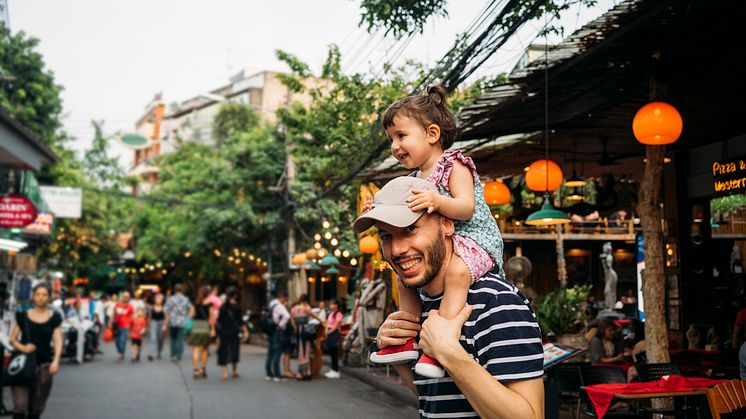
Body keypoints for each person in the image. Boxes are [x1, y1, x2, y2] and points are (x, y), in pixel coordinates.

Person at [355, 176, 544, 418]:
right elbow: (433, 395)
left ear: (446, 224)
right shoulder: (422, 303)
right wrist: (398, 351)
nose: (397, 250)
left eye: (410, 229)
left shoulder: (496, 302)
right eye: (386, 236)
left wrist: (449, 352)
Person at [364, 85, 504, 379]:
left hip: (475, 240)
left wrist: (438, 201)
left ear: (432, 134)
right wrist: (374, 207)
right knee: (403, 281)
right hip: (449, 243)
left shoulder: (455, 165)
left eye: (401, 136)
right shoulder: (413, 178)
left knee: (456, 274)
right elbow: (398, 213)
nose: (395, 146)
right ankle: (406, 336)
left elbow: (466, 208)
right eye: (392, 139)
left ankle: (441, 343)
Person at [9, 282, 62, 419]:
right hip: (23, 365)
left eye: (44, 295)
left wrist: (55, 361)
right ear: (33, 296)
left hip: (44, 366)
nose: (40, 298)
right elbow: (12, 339)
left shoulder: (54, 318)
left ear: (49, 298)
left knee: (36, 408)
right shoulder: (23, 316)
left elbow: (58, 340)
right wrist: (23, 347)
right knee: (20, 405)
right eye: (37, 294)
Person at [216, 287, 248, 380]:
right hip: (234, 331)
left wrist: (218, 333)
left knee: (224, 351)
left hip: (224, 331)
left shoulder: (223, 307)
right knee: (235, 350)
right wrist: (245, 331)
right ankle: (234, 371)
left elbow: (219, 320)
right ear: (235, 295)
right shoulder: (237, 306)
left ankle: (224, 373)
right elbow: (241, 321)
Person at [185, 286, 215, 379]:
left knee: (195, 349)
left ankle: (196, 370)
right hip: (205, 327)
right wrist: (212, 329)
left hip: (196, 327)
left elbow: (190, 315)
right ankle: (203, 369)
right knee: (205, 350)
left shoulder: (195, 303)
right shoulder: (210, 305)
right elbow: (212, 318)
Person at [290, 294, 320, 380]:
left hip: (298, 331)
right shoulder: (306, 307)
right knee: (306, 350)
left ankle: (300, 373)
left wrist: (296, 328)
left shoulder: (293, 309)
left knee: (300, 351)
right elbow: (313, 315)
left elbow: (292, 321)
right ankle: (307, 372)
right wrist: (321, 320)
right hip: (305, 330)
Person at [264, 291, 291, 381]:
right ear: (283, 297)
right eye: (286, 299)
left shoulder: (272, 304)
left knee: (270, 352)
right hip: (277, 331)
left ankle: (269, 373)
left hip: (270, 330)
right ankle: (277, 375)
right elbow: (287, 316)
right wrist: (281, 325)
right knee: (277, 353)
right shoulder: (279, 306)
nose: (286, 301)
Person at [163, 284, 192, 362]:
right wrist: (188, 317)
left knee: (173, 339)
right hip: (183, 322)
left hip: (173, 321)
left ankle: (173, 355)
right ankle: (179, 355)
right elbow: (191, 309)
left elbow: (166, 310)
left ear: (174, 290)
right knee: (181, 339)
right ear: (182, 290)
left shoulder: (170, 299)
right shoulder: (186, 299)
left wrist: (166, 322)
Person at [323, 299, 344, 379]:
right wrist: (326, 331)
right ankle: (332, 369)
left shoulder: (339, 314)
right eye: (330, 304)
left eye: (332, 304)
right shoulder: (331, 313)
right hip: (329, 332)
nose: (330, 305)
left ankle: (336, 371)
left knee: (334, 353)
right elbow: (327, 323)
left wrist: (328, 332)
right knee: (331, 352)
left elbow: (336, 325)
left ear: (336, 305)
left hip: (334, 333)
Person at [113, 291, 134, 363]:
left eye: (127, 297)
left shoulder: (130, 307)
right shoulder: (117, 304)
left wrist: (131, 327)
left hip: (125, 325)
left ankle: (120, 353)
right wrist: (110, 322)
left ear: (129, 298)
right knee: (116, 340)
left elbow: (132, 317)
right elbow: (113, 313)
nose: (125, 298)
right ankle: (121, 351)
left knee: (122, 339)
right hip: (116, 325)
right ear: (122, 297)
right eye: (124, 296)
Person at [148, 293, 166, 361]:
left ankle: (159, 351)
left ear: (162, 300)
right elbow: (150, 317)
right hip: (153, 322)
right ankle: (151, 353)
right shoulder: (152, 307)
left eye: (160, 299)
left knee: (160, 339)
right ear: (155, 300)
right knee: (153, 338)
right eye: (157, 299)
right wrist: (148, 326)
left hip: (162, 323)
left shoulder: (164, 308)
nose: (158, 300)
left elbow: (166, 318)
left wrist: (165, 325)